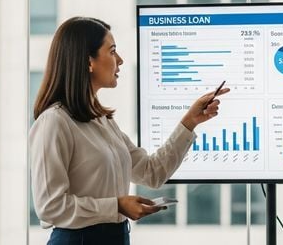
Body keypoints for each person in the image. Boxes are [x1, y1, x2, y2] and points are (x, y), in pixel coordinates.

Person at [30, 16, 229, 245]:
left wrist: (189, 122)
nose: (120, 60)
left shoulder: (103, 122)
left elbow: (152, 172)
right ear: (88, 61)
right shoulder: (54, 123)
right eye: (112, 51)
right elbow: (49, 207)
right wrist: (116, 205)